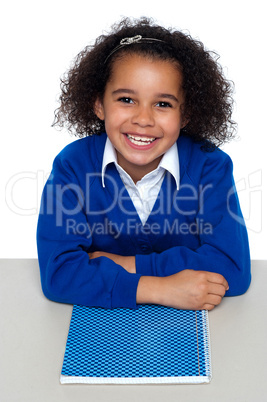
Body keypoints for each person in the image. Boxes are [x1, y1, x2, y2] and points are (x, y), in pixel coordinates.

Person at [37, 17, 251, 311]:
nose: (143, 119)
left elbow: (232, 269)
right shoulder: (72, 166)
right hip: (98, 331)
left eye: (163, 104)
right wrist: (161, 289)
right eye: (126, 99)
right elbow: (59, 274)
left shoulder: (210, 167)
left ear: (185, 114)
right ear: (99, 104)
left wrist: (126, 264)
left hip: (189, 332)